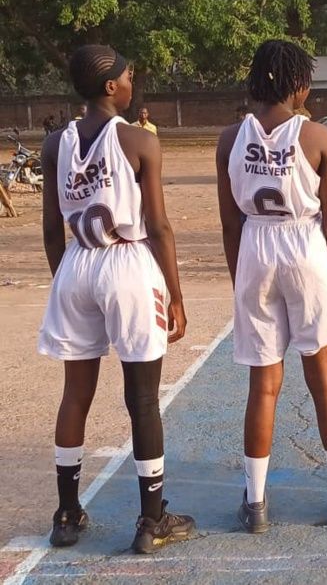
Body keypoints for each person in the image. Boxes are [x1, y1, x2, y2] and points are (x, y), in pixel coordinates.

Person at [37, 45, 194, 553]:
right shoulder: (137, 141)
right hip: (127, 263)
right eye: (128, 76)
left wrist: (66, 280)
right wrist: (174, 294)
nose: (132, 83)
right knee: (143, 400)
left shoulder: (53, 144)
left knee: (75, 395)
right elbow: (159, 226)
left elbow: (49, 228)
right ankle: (151, 522)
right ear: (110, 87)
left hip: (76, 262)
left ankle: (66, 514)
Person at [216, 40, 327, 531]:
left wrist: (241, 280)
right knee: (324, 380)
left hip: (256, 247)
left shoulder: (229, 138)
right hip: (306, 250)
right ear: (299, 85)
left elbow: (230, 225)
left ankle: (255, 503)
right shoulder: (316, 136)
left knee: (264, 384)